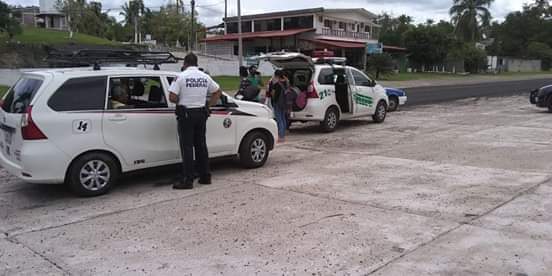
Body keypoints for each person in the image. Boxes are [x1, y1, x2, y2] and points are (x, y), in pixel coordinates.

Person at [169, 53, 222, 190]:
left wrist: (182, 99)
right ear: (196, 63)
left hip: (186, 115)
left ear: (185, 63)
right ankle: (205, 176)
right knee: (201, 146)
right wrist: (208, 106)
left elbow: (172, 97)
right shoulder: (205, 77)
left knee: (187, 147)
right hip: (201, 114)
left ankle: (188, 180)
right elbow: (217, 92)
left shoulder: (181, 77)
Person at [269, 69, 289, 143]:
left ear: (276, 75)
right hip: (284, 103)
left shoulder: (276, 84)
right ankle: (283, 134)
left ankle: (281, 136)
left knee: (279, 119)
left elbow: (273, 94)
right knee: (283, 118)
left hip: (277, 102)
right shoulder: (286, 82)